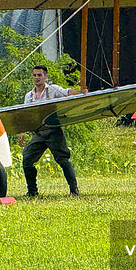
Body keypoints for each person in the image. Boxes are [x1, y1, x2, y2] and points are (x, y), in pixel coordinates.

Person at [18, 65, 84, 198]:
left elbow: (67, 92)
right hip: (39, 132)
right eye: (35, 75)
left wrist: (82, 92)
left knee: (63, 159)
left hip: (53, 131)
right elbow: (25, 115)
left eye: (39, 75)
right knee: (27, 159)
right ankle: (32, 191)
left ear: (45, 76)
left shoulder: (53, 89)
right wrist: (22, 132)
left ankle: (74, 190)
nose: (37, 78)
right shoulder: (29, 96)